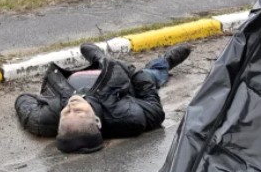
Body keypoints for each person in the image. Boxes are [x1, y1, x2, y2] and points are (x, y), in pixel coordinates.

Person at [15, 43, 191, 154]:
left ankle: (99, 58)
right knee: (151, 75)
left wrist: (44, 100)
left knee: (93, 52)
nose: (71, 105)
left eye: (66, 112)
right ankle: (164, 63)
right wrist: (133, 73)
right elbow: (153, 106)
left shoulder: (43, 120)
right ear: (97, 122)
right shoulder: (127, 116)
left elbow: (23, 99)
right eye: (77, 111)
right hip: (124, 84)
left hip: (87, 74)